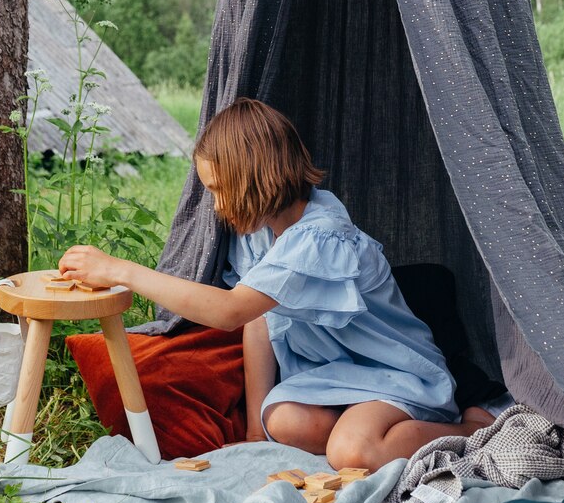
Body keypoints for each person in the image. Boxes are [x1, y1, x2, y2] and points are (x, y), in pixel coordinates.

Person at [59, 98, 494, 471]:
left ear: (253, 180)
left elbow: (230, 309)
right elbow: (257, 321)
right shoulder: (258, 234)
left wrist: (122, 271)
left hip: (393, 374)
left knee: (351, 452)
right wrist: (253, 431)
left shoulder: (319, 237)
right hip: (335, 377)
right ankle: (363, 426)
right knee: (280, 422)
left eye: (218, 189)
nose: (215, 204)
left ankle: (468, 428)